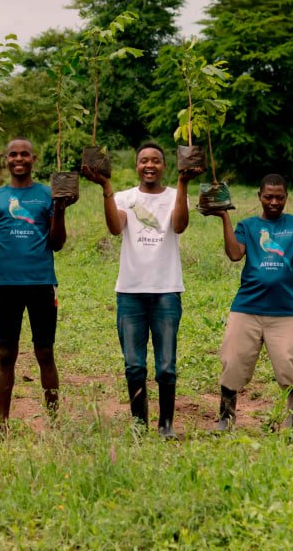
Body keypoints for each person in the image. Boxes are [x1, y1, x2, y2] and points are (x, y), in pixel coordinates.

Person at [209, 173, 293, 430]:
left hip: (287, 312)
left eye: (279, 197)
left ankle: (292, 423)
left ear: (286, 198)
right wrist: (225, 216)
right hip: (247, 308)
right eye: (268, 197)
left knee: (290, 367)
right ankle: (226, 418)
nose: (274, 202)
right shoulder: (248, 226)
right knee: (232, 361)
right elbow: (235, 254)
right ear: (259, 196)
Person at [82, 141, 196, 438]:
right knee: (134, 365)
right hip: (130, 292)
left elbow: (180, 226)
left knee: (166, 367)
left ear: (164, 166)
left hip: (167, 291)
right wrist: (105, 187)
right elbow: (114, 227)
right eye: (144, 160)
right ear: (136, 166)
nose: (149, 165)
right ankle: (139, 424)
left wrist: (184, 183)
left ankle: (166, 424)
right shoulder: (124, 198)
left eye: (156, 160)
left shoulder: (174, 196)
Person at [0, 138, 72, 426]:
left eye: (25, 154)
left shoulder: (48, 195)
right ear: (6, 159)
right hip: (4, 286)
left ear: (33, 159)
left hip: (40, 284)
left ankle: (54, 421)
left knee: (45, 352)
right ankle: (3, 421)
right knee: (5, 354)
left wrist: (60, 210)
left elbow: (57, 244)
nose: (19, 158)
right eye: (13, 154)